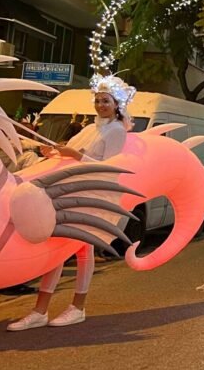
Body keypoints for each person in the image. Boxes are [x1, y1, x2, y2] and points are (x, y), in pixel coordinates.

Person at [8, 74, 135, 331]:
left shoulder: (117, 131)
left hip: (91, 196)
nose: (100, 105)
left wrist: (75, 154)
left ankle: (76, 306)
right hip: (67, 193)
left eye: (106, 101)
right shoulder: (89, 129)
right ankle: (41, 310)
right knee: (57, 248)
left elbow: (110, 169)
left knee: (80, 250)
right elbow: (70, 156)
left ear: (117, 104)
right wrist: (54, 152)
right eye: (98, 100)